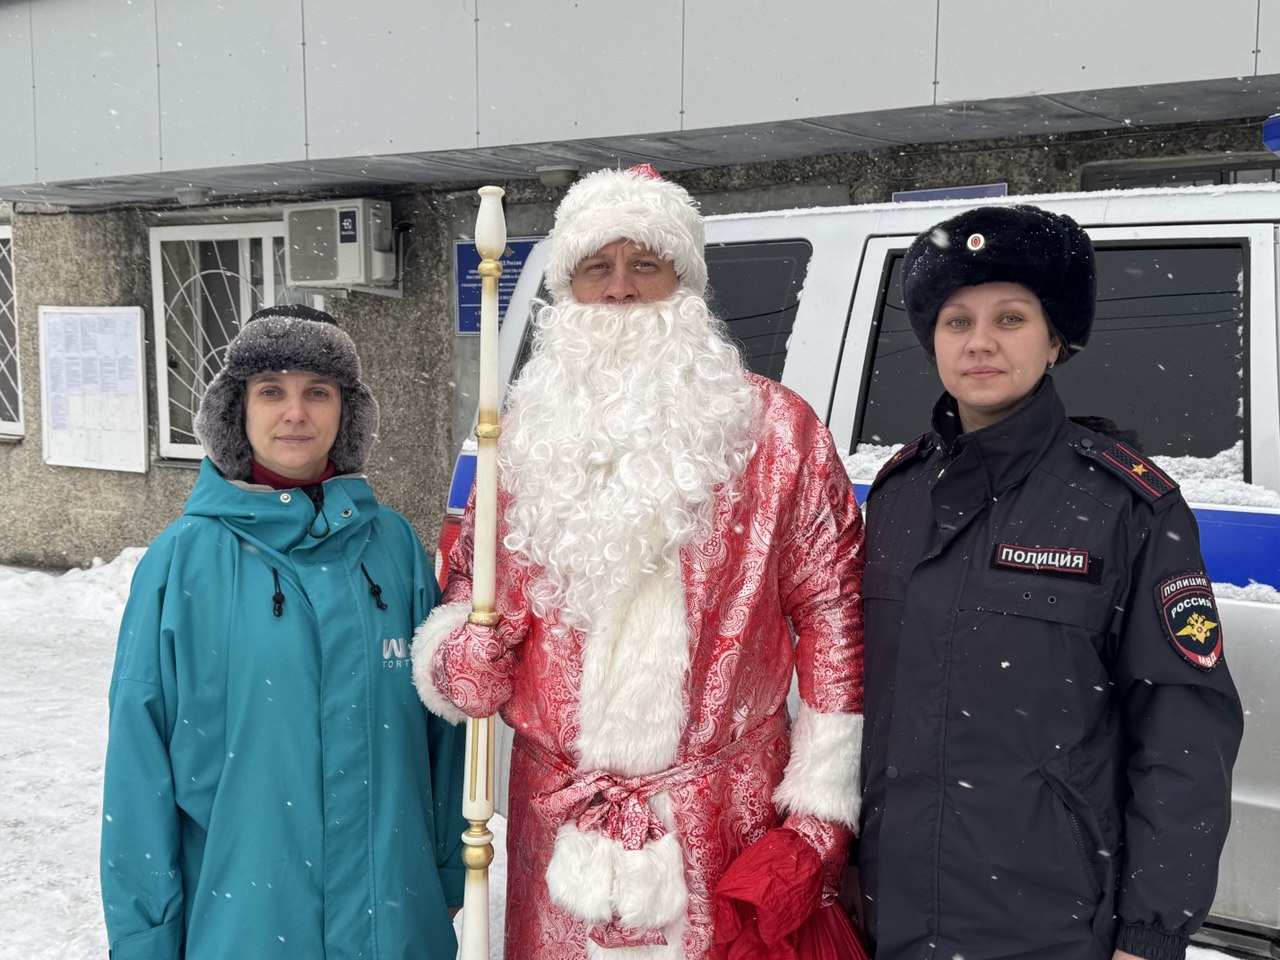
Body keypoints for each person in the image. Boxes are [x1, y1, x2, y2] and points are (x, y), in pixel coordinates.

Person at [412, 165, 866, 959]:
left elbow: (833, 614)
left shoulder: (779, 432)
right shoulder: (519, 440)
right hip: (560, 826)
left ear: (683, 283)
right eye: (597, 266)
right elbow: (472, 593)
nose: (620, 289)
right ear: (568, 290)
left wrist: (819, 804)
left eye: (644, 264)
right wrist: (459, 657)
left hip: (724, 818)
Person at [856, 205, 1244, 960]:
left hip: (1050, 923)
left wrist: (1150, 930)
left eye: (1010, 317)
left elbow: (1184, 732)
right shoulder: (898, 495)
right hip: (888, 912)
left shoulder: (1123, 503)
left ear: (1055, 338)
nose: (980, 343)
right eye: (956, 320)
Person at [100, 304, 466, 960]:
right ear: (235, 410)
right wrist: (145, 939)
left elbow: (441, 736)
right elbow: (138, 767)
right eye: (271, 391)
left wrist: (444, 873)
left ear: (345, 412)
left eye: (317, 392)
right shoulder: (181, 564)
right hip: (241, 929)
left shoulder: (394, 553)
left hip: (392, 926)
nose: (294, 413)